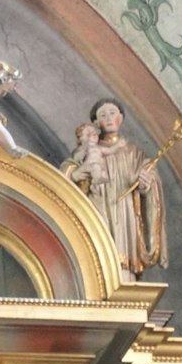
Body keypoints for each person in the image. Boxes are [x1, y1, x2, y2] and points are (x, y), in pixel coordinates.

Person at [62, 99, 167, 275]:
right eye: (103, 115)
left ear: (121, 118)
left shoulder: (134, 153)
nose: (108, 118)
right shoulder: (88, 149)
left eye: (112, 113)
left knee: (122, 259)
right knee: (98, 253)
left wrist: (146, 184)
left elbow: (151, 179)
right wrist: (74, 174)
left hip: (125, 211)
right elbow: (65, 172)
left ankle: (124, 271)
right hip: (98, 205)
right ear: (96, 123)